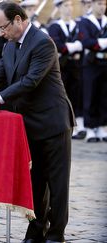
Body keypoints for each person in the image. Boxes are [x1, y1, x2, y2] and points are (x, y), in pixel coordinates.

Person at [0, 1, 75, 242]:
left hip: (53, 123)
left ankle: (56, 234)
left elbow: (30, 81)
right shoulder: (10, 45)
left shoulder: (43, 42)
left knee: (57, 185)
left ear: (19, 21)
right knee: (35, 183)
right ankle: (36, 230)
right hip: (29, 125)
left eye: (3, 28)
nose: (0, 33)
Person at [48, 0, 86, 139]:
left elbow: (84, 42)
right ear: (58, 8)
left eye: (70, 5)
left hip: (76, 66)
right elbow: (57, 45)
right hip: (61, 67)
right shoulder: (55, 26)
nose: (69, 8)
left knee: (76, 95)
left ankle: (76, 125)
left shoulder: (77, 25)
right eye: (65, 6)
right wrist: (72, 47)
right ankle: (64, 124)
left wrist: (71, 47)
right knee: (63, 96)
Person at [78, 0, 107, 142]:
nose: (102, 7)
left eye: (104, 4)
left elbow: (92, 42)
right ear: (93, 4)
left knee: (104, 95)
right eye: (100, 4)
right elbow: (86, 42)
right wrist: (103, 43)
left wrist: (97, 43)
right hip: (91, 63)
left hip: (105, 62)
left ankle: (101, 125)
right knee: (89, 95)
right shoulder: (85, 22)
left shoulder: (106, 21)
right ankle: (89, 127)